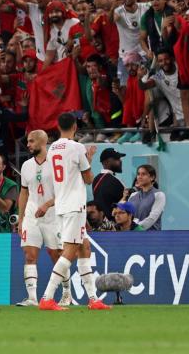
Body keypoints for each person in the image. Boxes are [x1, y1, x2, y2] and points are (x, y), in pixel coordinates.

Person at [39, 112, 111, 311]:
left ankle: (93, 299)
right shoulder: (77, 147)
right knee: (70, 250)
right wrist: (87, 159)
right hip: (74, 205)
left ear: (58, 126)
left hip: (62, 204)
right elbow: (88, 179)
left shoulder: (52, 148)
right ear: (75, 126)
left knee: (84, 247)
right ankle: (46, 297)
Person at [16, 130, 68, 308]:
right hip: (32, 214)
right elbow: (24, 192)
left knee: (57, 256)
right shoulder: (26, 165)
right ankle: (32, 298)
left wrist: (47, 205)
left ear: (42, 142)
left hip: (53, 216)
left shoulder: (56, 163)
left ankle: (67, 293)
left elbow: (64, 191)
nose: (28, 145)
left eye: (31, 141)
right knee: (30, 255)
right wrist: (21, 218)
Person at [127, 163, 166, 230]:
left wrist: (135, 228)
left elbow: (152, 218)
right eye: (138, 174)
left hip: (152, 237)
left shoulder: (159, 195)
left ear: (152, 177)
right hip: (133, 235)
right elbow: (127, 216)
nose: (140, 176)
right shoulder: (133, 195)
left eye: (143, 174)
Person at [91, 148, 126, 219]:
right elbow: (126, 202)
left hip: (102, 224)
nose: (120, 161)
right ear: (107, 162)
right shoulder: (115, 181)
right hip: (114, 224)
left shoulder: (96, 179)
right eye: (117, 159)